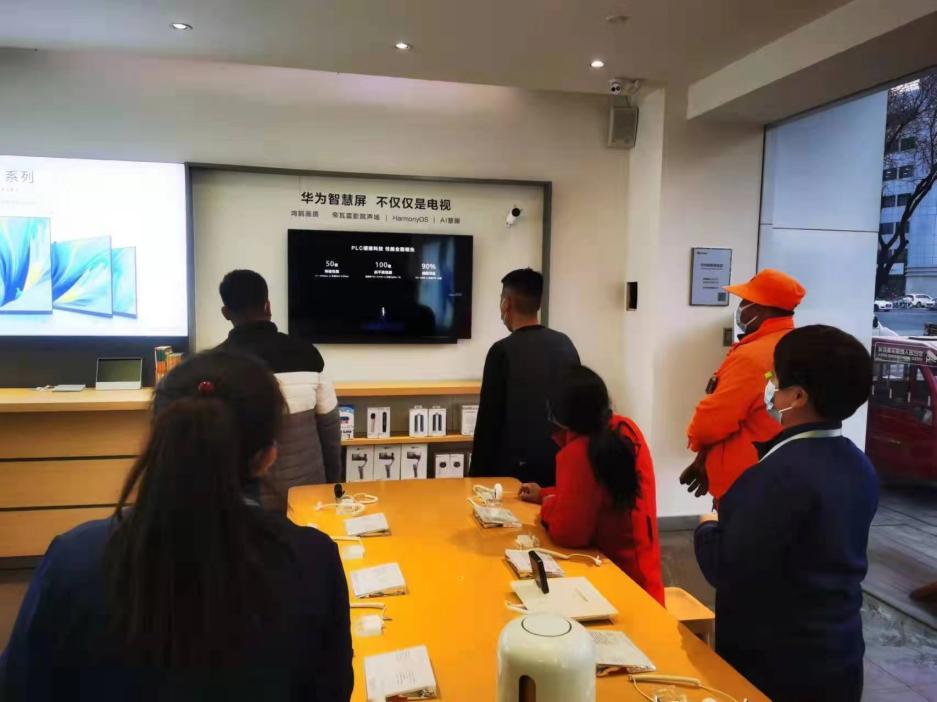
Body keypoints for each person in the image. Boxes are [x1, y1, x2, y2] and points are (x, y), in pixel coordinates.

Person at [0, 350, 353, 701]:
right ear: (267, 457)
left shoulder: (72, 559)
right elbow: (332, 689)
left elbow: (20, 686)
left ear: (158, 439)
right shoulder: (312, 561)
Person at [695, 325, 877, 702]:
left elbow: (728, 568)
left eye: (774, 380)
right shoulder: (858, 465)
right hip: (839, 654)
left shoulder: (779, 476)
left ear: (797, 396)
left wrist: (707, 528)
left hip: (777, 665)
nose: (770, 389)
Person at [518, 366, 664, 605]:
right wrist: (545, 493)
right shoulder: (625, 430)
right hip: (645, 577)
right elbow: (596, 495)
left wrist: (548, 504)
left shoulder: (580, 452)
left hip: (613, 585)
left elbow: (568, 533)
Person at [217, 269, 342, 510]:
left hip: (246, 506)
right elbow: (330, 430)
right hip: (308, 500)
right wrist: (333, 485)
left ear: (226, 313)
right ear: (268, 306)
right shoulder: (307, 355)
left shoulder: (217, 365)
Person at [682, 268, 805, 501]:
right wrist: (703, 459)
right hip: (781, 473)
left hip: (743, 481)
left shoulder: (753, 356)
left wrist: (698, 444)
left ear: (760, 309)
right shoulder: (798, 345)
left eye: (745, 301)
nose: (741, 308)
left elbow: (713, 421)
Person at [470, 268, 580, 486]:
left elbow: (488, 424)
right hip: (561, 467)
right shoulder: (565, 344)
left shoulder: (502, 352)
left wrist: (475, 480)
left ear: (506, 304)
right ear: (538, 304)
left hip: (513, 476)